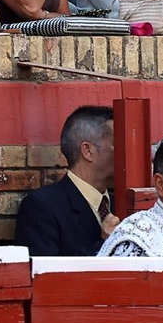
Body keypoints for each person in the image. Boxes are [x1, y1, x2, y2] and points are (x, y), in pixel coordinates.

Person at [15, 106, 118, 256]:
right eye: (118, 145)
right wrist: (104, 245)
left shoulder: (120, 204)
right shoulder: (43, 207)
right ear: (88, 151)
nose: (126, 153)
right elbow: (44, 275)